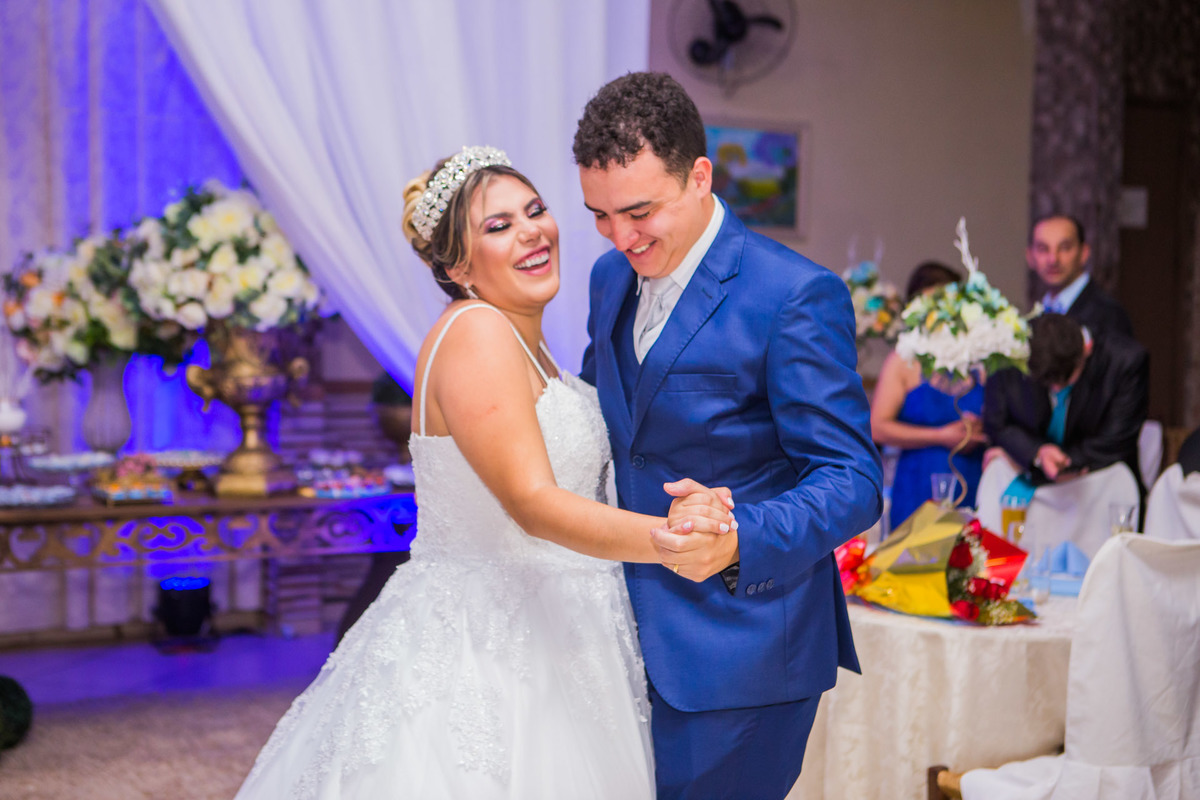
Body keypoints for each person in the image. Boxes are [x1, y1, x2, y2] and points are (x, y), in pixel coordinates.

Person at [236, 146, 736, 799]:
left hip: (556, 630)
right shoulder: (477, 331)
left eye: (535, 210)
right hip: (487, 644)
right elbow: (531, 502)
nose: (531, 231)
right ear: (458, 267)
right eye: (499, 225)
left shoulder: (532, 346)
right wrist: (672, 538)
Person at [574, 72, 883, 800]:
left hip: (743, 649)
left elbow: (853, 479)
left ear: (700, 176)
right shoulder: (608, 279)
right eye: (600, 215)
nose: (621, 237)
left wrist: (739, 538)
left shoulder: (793, 294)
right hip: (618, 639)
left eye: (639, 211)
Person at [870, 262, 988, 529]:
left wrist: (981, 429)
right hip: (917, 488)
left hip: (972, 480)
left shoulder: (981, 360)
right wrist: (941, 436)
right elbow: (877, 427)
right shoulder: (903, 360)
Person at [984, 313, 1149, 495]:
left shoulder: (1124, 361)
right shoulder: (1011, 351)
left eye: (1066, 380)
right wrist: (1037, 453)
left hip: (1100, 484)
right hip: (1031, 485)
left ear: (1086, 349)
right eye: (1049, 383)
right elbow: (997, 423)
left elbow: (1117, 440)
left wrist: (1065, 463)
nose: (1056, 389)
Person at [1027, 214, 1133, 339]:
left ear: (1084, 253)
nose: (1053, 259)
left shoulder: (1108, 314)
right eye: (1043, 249)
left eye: (1064, 248)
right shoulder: (1037, 313)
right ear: (1030, 256)